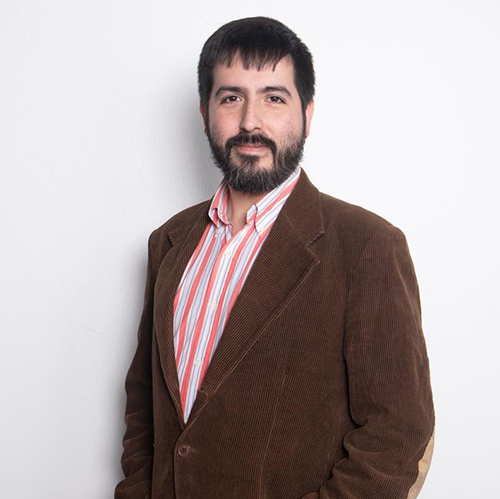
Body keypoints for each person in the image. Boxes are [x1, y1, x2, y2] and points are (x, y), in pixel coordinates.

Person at [114, 16, 435, 499]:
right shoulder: (169, 242)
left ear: (307, 113)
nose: (250, 122)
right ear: (204, 112)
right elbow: (144, 406)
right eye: (231, 97)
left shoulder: (366, 244)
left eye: (274, 98)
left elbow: (397, 437)